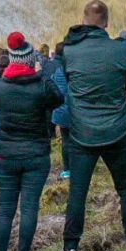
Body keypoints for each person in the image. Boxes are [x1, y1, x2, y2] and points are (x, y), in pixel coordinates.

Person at [61, 0, 126, 251]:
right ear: (106, 22)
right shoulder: (120, 50)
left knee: (78, 191)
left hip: (82, 132)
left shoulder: (69, 52)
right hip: (117, 128)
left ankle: (71, 246)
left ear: (84, 21)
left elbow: (69, 79)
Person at [0, 32, 64, 251]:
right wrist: (42, 73)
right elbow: (59, 98)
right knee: (29, 207)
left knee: (4, 209)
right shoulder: (41, 86)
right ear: (31, 60)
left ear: (11, 59)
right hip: (35, 155)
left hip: (5, 156)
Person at [48, 43, 71, 179]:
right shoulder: (74, 69)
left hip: (62, 111)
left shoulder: (57, 71)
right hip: (77, 111)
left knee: (66, 141)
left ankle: (67, 169)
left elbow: (52, 88)